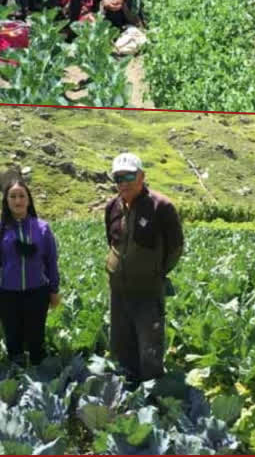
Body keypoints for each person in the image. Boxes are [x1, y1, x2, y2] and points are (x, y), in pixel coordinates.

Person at [104, 153, 184, 387]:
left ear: (142, 176)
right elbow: (111, 241)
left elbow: (175, 247)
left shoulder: (161, 206)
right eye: (118, 178)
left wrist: (155, 272)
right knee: (121, 344)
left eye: (129, 176)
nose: (124, 182)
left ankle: (152, 397)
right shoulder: (112, 207)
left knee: (149, 347)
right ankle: (127, 392)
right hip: (118, 291)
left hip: (148, 292)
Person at [0, 180, 61, 366]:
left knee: (36, 339)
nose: (18, 201)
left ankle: (40, 378)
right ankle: (16, 379)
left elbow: (51, 261)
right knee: (13, 339)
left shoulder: (42, 228)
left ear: (29, 200)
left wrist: (54, 290)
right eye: (13, 196)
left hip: (37, 292)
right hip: (6, 293)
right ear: (6, 201)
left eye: (21, 196)